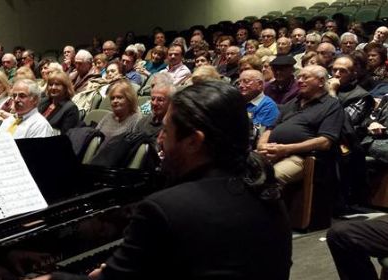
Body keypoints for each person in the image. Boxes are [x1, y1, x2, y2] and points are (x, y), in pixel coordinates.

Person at [40, 81, 292, 280]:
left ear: (194, 141)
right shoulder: (266, 190)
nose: (160, 139)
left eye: (167, 131)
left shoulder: (165, 208)